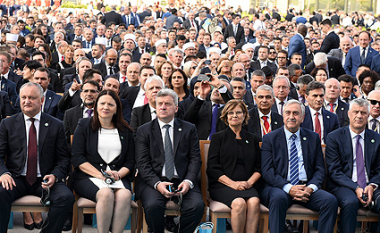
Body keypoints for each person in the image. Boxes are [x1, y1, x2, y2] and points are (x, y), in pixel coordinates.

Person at [0, 82, 75, 233]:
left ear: (41, 100)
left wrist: (55, 175)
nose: (26, 101)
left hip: (45, 179)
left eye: (32, 98)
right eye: (23, 97)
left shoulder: (56, 125)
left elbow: (64, 158)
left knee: (66, 197)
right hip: (16, 178)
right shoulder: (7, 124)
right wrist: (3, 173)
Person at [260, 99, 338, 233]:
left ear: (302, 117)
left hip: (306, 187)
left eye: (296, 113)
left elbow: (320, 169)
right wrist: (289, 188)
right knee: (277, 198)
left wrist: (311, 188)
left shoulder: (313, 137)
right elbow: (267, 171)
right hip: (280, 187)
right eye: (288, 113)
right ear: (282, 115)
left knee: (330, 201)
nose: (291, 117)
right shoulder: (270, 138)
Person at [135, 89, 205, 233]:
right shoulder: (144, 130)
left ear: (176, 108)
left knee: (197, 206)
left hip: (182, 179)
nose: (163, 107)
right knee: (153, 206)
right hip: (154, 181)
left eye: (167, 104)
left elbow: (195, 159)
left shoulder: (189, 128)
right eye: (159, 104)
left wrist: (188, 181)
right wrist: (157, 184)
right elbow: (142, 163)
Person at [71, 90, 135, 233]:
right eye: (102, 103)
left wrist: (118, 174)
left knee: (125, 195)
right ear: (96, 106)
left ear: (117, 108)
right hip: (88, 176)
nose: (106, 107)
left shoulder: (126, 130)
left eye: (110, 104)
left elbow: (130, 161)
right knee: (105, 193)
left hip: (117, 177)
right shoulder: (84, 125)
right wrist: (101, 176)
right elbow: (77, 157)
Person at [325, 98, 380, 233]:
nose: (359, 116)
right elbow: (334, 171)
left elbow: (379, 169)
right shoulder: (334, 137)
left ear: (368, 116)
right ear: (349, 113)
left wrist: (372, 186)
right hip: (343, 185)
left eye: (363, 113)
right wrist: (355, 187)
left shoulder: (377, 138)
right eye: (356, 112)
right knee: (350, 202)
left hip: (370, 185)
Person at [207, 99, 261, 233]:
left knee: (254, 202)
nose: (235, 115)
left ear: (244, 115)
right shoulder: (218, 138)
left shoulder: (252, 138)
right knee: (239, 203)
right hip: (223, 185)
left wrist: (249, 183)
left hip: (247, 185)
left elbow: (259, 167)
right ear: (226, 116)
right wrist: (233, 184)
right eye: (231, 113)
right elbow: (213, 168)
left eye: (238, 112)